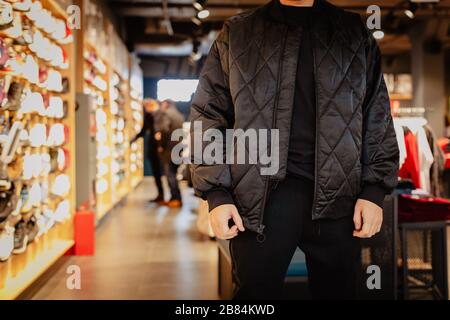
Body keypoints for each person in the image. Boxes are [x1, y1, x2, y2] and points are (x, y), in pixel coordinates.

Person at [189, 0, 399, 299]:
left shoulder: (353, 32)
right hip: (261, 200)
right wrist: (216, 194)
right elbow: (208, 115)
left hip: (339, 201)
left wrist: (374, 190)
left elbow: (376, 115)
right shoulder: (238, 32)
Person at [132, 99, 165, 204]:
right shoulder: (148, 116)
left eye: (148, 105)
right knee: (156, 173)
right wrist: (134, 139)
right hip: (153, 148)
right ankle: (161, 194)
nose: (147, 108)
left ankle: (164, 195)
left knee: (161, 173)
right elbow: (144, 130)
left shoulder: (159, 115)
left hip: (159, 148)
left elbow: (161, 130)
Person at [154, 99, 185, 208]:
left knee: (169, 174)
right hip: (178, 148)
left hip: (168, 149)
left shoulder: (166, 114)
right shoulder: (179, 115)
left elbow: (164, 130)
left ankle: (176, 198)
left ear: (166, 104)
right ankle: (175, 198)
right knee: (173, 174)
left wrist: (160, 145)